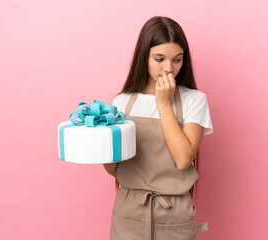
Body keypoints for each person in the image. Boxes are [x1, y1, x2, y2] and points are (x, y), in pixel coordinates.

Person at [103, 16, 213, 240]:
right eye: (159, 59)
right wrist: (101, 141)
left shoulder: (195, 100)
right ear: (144, 57)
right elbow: (114, 169)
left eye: (177, 59)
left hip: (174, 215)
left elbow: (183, 159)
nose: (169, 68)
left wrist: (164, 103)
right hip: (129, 212)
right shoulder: (123, 102)